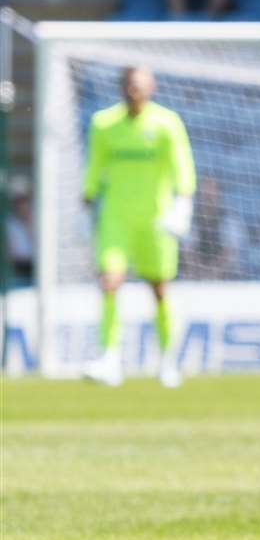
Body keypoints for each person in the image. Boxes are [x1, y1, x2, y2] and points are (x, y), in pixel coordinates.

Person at [82, 67, 197, 388]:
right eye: (131, 85)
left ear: (151, 87)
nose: (135, 90)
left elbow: (182, 165)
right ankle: (109, 357)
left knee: (159, 287)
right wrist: (87, 201)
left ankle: (168, 358)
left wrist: (184, 203)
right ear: (122, 87)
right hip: (116, 217)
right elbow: (94, 166)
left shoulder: (166, 123)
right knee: (109, 282)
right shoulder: (103, 124)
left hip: (155, 219)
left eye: (140, 85)